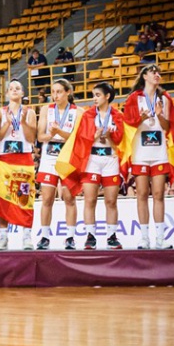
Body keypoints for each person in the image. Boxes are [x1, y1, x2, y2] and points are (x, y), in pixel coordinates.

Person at [56, 83, 124, 250]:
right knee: (90, 199)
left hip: (110, 158)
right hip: (92, 159)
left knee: (111, 201)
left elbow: (120, 138)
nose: (94, 98)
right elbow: (80, 139)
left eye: (98, 95)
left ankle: (111, 236)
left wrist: (110, 135)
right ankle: (90, 236)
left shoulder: (117, 115)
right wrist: (93, 136)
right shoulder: (87, 115)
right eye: (93, 95)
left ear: (107, 96)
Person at [122, 64, 174, 249]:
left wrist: (160, 114)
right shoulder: (133, 98)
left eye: (159, 72)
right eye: (153, 72)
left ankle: (160, 239)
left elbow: (167, 126)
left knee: (158, 195)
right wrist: (142, 118)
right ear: (144, 76)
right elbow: (128, 124)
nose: (157, 74)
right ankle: (144, 238)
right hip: (140, 152)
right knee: (142, 195)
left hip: (159, 151)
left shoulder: (165, 97)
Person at [36, 79, 82, 250]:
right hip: (49, 157)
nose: (55, 95)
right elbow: (40, 137)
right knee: (47, 198)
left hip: (68, 158)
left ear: (68, 92)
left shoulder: (78, 112)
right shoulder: (46, 109)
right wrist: (53, 135)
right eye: (53, 92)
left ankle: (70, 237)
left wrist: (58, 132)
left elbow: (78, 138)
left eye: (59, 92)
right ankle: (44, 236)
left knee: (69, 198)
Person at [0, 80, 37, 250]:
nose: (14, 90)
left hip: (23, 160)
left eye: (17, 88)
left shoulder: (30, 112)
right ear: (7, 93)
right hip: (4, 160)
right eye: (11, 88)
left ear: (23, 93)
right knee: (3, 199)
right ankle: (3, 237)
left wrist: (23, 122)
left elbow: (32, 139)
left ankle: (26, 236)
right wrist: (7, 123)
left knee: (25, 198)